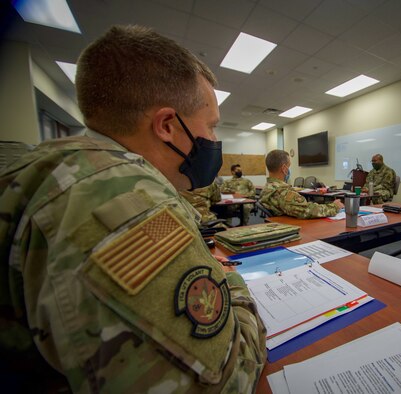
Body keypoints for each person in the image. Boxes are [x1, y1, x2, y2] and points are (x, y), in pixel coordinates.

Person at [0, 25, 266, 393]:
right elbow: (229, 379)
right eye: (212, 126)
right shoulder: (128, 202)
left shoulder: (46, 167)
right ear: (167, 126)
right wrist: (233, 284)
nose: (215, 141)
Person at [260, 150, 343, 218]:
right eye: (289, 166)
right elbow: (308, 211)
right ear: (284, 169)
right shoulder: (283, 192)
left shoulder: (267, 188)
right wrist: (334, 206)